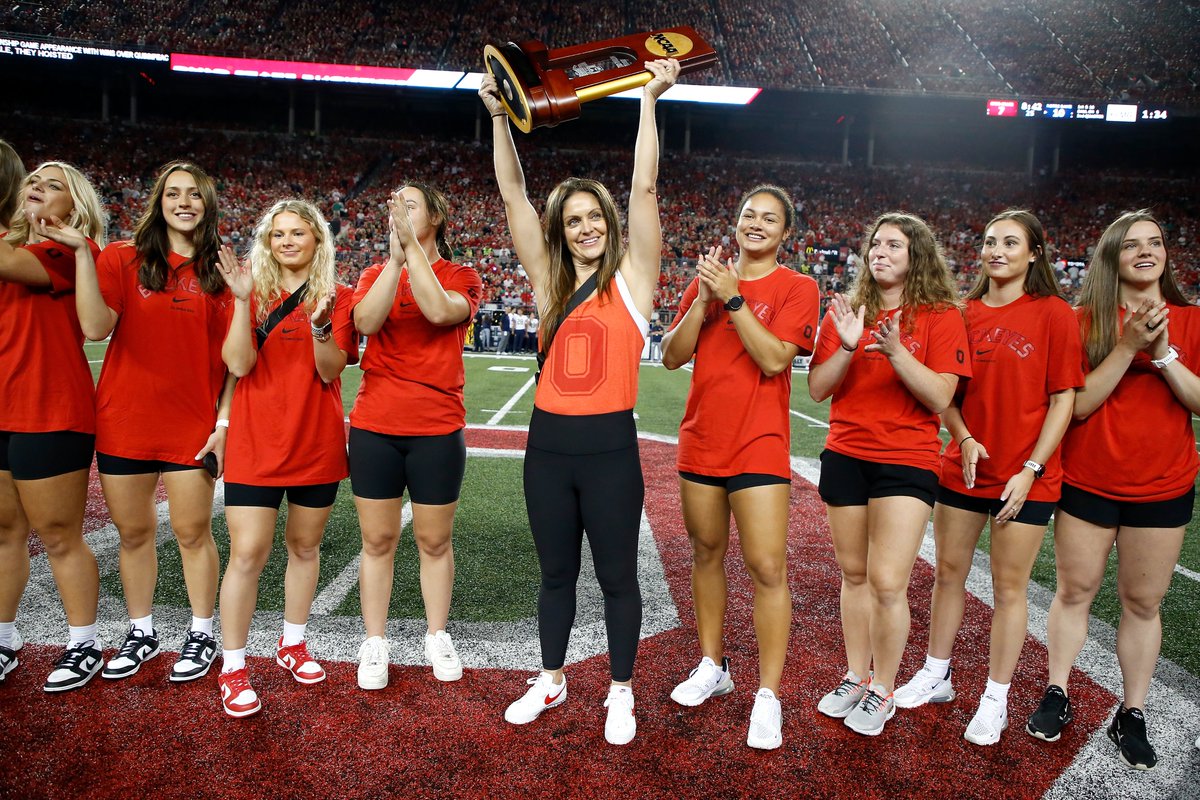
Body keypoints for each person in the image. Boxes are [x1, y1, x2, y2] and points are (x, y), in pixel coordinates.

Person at [479, 56, 678, 745]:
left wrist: (650, 102)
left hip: (609, 451)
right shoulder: (548, 283)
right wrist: (500, 118)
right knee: (556, 573)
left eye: (596, 216)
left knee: (619, 577)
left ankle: (620, 691)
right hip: (548, 449)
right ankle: (552, 678)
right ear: (561, 230)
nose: (587, 227)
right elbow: (513, 198)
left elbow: (646, 186)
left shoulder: (634, 279)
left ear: (609, 222)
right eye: (574, 220)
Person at [893, 210, 1083, 745]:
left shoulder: (1053, 314)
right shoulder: (961, 311)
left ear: (1034, 254)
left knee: (1009, 588)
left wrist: (1030, 468)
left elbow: (1063, 398)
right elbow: (946, 392)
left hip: (1027, 477)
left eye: (1010, 242)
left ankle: (995, 697)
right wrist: (965, 438)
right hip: (964, 468)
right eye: (989, 241)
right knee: (947, 573)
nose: (996, 250)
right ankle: (937, 673)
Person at [1028, 210, 1200, 770]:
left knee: (1143, 603)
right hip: (1089, 480)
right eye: (1131, 245)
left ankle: (1133, 711)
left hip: (1163, 485)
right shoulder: (1082, 322)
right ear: (1112, 258)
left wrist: (1164, 353)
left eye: (1155, 242)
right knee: (1074, 591)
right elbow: (1074, 408)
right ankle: (1058, 691)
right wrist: (1127, 347)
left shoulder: (1193, 321)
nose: (1146, 252)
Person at [661, 185, 819, 749]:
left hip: (758, 444)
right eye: (748, 213)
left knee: (766, 567)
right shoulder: (708, 278)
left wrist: (732, 300)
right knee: (705, 554)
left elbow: (776, 359)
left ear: (785, 232)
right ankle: (713, 665)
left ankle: (769, 695)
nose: (755, 223)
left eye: (769, 218)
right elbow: (672, 354)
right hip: (701, 440)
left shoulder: (800, 286)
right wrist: (704, 302)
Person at [808, 212, 970, 737]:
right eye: (875, 243)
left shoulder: (942, 315)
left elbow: (942, 395)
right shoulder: (846, 311)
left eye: (894, 245)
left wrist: (897, 352)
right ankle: (856, 675)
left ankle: (884, 687)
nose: (879, 252)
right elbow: (817, 389)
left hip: (907, 459)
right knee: (853, 575)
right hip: (846, 452)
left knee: (886, 581)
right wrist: (851, 343)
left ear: (916, 254)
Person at [71, 162, 234, 684]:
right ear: (158, 201)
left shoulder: (221, 270)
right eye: (173, 193)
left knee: (192, 532)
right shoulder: (123, 256)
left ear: (207, 204)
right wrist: (80, 253)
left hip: (191, 425)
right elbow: (95, 328)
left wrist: (224, 425)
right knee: (134, 532)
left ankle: (203, 631)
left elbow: (235, 364)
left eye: (194, 194)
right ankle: (141, 631)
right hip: (124, 420)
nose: (183, 202)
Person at [214, 199, 357, 717]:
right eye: (278, 234)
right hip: (256, 442)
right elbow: (237, 363)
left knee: (305, 546)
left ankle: (292, 644)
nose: (288, 241)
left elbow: (329, 370)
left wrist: (320, 325)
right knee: (248, 552)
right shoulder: (251, 294)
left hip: (315, 441)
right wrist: (238, 301)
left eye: (299, 232)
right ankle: (233, 668)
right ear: (268, 242)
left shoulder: (338, 298)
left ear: (318, 240)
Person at [349, 184, 482, 690]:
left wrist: (411, 255)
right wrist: (392, 261)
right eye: (394, 205)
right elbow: (365, 320)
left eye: (410, 205)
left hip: (437, 427)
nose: (398, 211)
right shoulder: (372, 273)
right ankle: (375, 641)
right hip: (374, 426)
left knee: (433, 539)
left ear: (436, 215)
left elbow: (438, 311)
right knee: (377, 540)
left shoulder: (461, 275)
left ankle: (436, 634)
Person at [0, 160, 108, 691]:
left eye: (52, 186)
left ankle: (83, 640)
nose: (36, 190)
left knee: (60, 535)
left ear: (75, 206)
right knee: (4, 532)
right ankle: (4, 636)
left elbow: (9, 263)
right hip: (2, 408)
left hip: (50, 409)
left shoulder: (67, 252)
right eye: (30, 183)